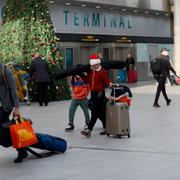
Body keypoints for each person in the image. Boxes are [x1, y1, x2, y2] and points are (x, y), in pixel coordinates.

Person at [0, 63, 28, 163]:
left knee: (5, 130)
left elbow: (13, 89)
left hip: (5, 106)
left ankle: (22, 150)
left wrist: (16, 108)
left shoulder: (5, 71)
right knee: (7, 130)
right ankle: (22, 150)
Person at [81, 54, 112, 137]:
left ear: (98, 64)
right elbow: (87, 80)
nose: (94, 66)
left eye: (95, 65)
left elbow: (107, 82)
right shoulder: (91, 71)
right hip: (93, 94)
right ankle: (107, 128)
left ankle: (88, 130)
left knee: (95, 112)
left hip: (100, 94)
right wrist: (82, 75)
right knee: (101, 112)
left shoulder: (102, 71)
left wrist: (109, 85)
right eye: (93, 65)